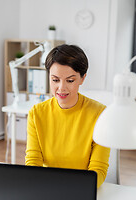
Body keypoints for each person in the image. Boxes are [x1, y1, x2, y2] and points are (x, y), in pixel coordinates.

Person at [25, 44, 110, 187]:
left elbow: (98, 169)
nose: (61, 88)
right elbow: (33, 161)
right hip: (46, 187)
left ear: (82, 78)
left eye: (70, 80)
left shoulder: (100, 115)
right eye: (55, 80)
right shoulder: (36, 113)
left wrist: (75, 190)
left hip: (82, 189)